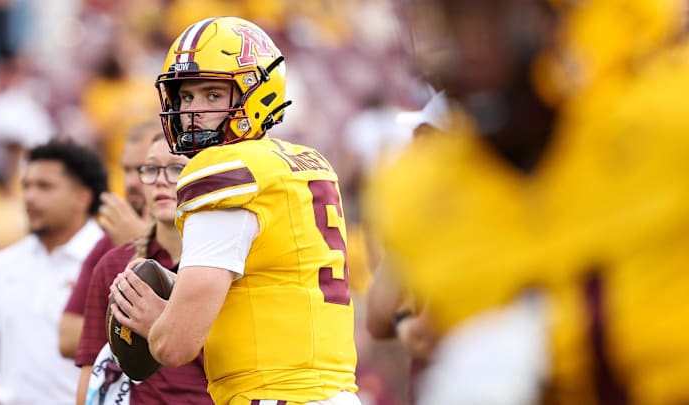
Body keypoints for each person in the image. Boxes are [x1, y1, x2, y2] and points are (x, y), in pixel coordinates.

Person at [368, 0, 689, 403]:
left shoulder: (666, 125)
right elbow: (390, 318)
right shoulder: (423, 189)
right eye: (449, 22)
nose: (470, 51)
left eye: (490, 19)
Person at [109, 16, 360, 405]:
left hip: (274, 396)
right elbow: (271, 286)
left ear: (256, 93)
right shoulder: (306, 162)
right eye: (186, 96)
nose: (192, 110)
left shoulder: (224, 171)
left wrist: (155, 320)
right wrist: (181, 293)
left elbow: (175, 346)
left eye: (212, 94)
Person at [75, 134, 212, 404]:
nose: (161, 180)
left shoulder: (227, 265)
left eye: (176, 169)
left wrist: (164, 325)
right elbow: (92, 369)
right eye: (150, 169)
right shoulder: (113, 264)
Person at [0, 139, 107, 404]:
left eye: (44, 187)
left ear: (83, 197)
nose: (29, 196)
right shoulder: (0, 266)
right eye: (26, 186)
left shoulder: (112, 264)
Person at [59, 121, 155, 359]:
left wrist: (139, 244)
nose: (131, 182)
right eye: (127, 170)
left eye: (145, 169)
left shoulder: (200, 233)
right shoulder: (108, 240)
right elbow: (68, 338)